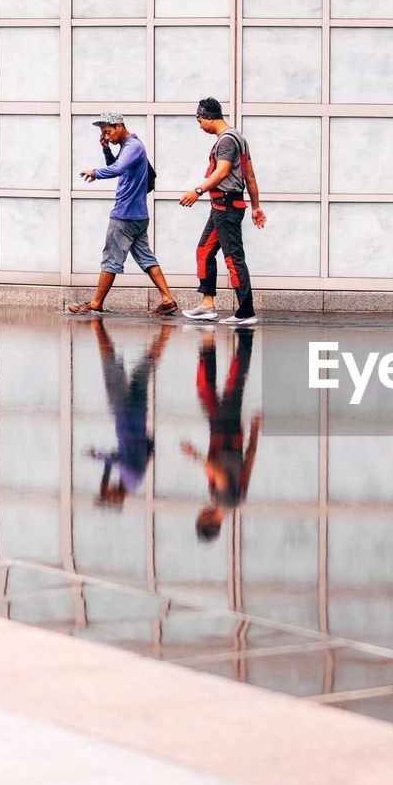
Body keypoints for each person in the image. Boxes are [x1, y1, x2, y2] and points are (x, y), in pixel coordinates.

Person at [67, 112, 177, 316]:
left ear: (119, 126)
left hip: (124, 215)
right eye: (103, 134)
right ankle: (167, 300)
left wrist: (95, 173)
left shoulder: (133, 146)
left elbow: (117, 168)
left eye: (108, 132)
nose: (106, 136)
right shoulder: (130, 147)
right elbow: (116, 166)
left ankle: (96, 303)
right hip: (138, 216)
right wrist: (106, 149)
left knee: (110, 259)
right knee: (146, 258)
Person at [179, 97, 266, 326]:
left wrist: (196, 191)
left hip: (226, 207)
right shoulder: (239, 138)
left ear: (208, 117)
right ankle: (207, 305)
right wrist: (256, 207)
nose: (200, 126)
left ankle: (246, 311)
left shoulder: (227, 140)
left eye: (199, 121)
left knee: (233, 259)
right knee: (204, 250)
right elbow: (250, 176)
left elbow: (222, 172)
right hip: (221, 207)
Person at [181, 331, 262, 539]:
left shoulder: (236, 501)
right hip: (225, 436)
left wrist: (254, 432)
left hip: (227, 436)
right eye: (200, 517)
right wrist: (195, 456)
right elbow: (221, 474)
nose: (200, 512)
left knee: (208, 389)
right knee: (233, 385)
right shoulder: (224, 501)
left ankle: (210, 343)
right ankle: (243, 338)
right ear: (208, 522)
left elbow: (249, 462)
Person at [85, 319, 173, 507]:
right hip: (123, 412)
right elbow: (116, 460)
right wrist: (97, 456)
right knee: (110, 366)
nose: (108, 490)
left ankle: (166, 334)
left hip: (138, 414)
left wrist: (104, 486)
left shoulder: (133, 480)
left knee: (144, 369)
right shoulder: (131, 479)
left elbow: (148, 447)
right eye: (110, 494)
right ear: (118, 498)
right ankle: (97, 327)